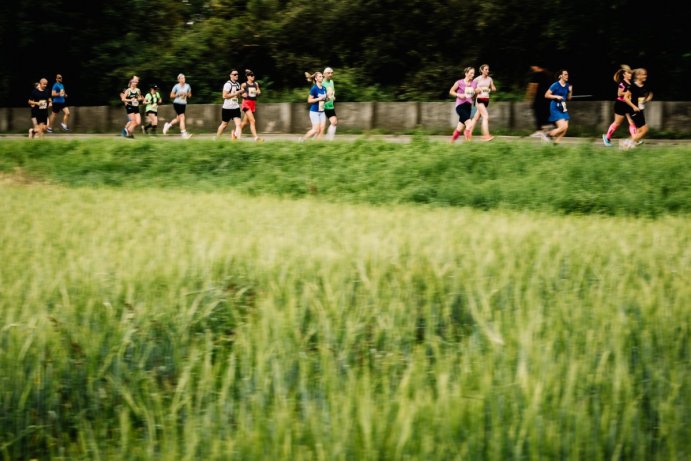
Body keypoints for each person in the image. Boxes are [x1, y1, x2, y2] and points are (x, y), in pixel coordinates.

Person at [602, 65, 639, 147]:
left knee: (632, 121)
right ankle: (607, 138)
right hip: (620, 104)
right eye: (628, 73)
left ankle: (635, 139)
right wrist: (628, 93)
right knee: (617, 123)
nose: (630, 75)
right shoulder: (622, 83)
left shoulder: (631, 83)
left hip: (628, 104)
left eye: (630, 73)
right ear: (624, 75)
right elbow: (619, 94)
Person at [624, 68, 654, 149]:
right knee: (645, 130)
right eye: (643, 74)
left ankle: (629, 144)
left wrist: (647, 99)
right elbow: (625, 98)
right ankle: (628, 143)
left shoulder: (644, 86)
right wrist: (634, 107)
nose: (645, 76)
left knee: (639, 131)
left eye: (646, 74)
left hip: (640, 110)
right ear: (638, 76)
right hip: (634, 110)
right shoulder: (633, 86)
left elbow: (650, 93)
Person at [543, 69, 573, 143]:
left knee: (565, 129)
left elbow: (569, 98)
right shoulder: (555, 85)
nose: (567, 76)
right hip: (555, 107)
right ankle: (547, 135)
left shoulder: (567, 85)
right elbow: (546, 95)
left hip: (563, 107)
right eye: (565, 74)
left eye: (567, 74)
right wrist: (556, 96)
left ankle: (556, 144)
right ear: (560, 76)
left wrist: (570, 91)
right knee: (563, 127)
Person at [448, 66, 477, 143]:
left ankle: (451, 143)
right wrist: (459, 95)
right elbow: (451, 91)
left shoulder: (474, 83)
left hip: (468, 107)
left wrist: (477, 92)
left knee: (459, 129)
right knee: (470, 125)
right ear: (466, 73)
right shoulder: (459, 82)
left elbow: (474, 93)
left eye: (473, 73)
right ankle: (469, 144)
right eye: (471, 73)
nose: (473, 75)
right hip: (460, 106)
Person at [469, 64, 496, 141]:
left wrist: (492, 88)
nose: (487, 71)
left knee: (476, 118)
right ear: (481, 70)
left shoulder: (490, 79)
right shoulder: (477, 79)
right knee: (485, 116)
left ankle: (468, 132)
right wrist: (475, 90)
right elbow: (471, 89)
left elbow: (493, 87)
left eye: (488, 69)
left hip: (486, 100)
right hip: (479, 99)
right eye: (486, 69)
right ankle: (486, 135)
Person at [525, 64, 553, 137]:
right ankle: (546, 131)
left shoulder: (536, 75)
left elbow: (532, 87)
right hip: (549, 98)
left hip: (539, 98)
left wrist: (528, 99)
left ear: (535, 66)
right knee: (546, 113)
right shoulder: (549, 74)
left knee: (538, 113)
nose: (531, 68)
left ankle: (540, 131)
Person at [215, 70, 243, 140]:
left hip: (236, 107)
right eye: (234, 74)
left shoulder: (238, 84)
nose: (236, 75)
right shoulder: (228, 84)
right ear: (230, 75)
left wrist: (241, 93)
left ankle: (238, 141)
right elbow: (224, 96)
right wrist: (235, 93)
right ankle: (216, 139)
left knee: (239, 124)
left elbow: (238, 95)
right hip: (227, 108)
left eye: (237, 74)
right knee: (224, 125)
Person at [300, 71, 328, 141]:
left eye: (322, 76)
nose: (322, 77)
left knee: (322, 129)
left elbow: (324, 99)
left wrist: (328, 98)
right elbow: (309, 100)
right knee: (316, 130)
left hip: (322, 110)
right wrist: (319, 98)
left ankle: (316, 144)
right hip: (314, 111)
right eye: (320, 76)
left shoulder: (324, 88)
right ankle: (302, 140)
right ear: (316, 78)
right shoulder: (314, 88)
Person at [163, 73, 192, 138]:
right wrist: (178, 94)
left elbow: (190, 95)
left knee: (178, 119)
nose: (183, 79)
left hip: (183, 104)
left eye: (184, 78)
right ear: (178, 79)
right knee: (182, 117)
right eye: (181, 78)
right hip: (177, 103)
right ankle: (183, 133)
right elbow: (171, 95)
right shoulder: (176, 86)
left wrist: (186, 94)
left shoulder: (188, 86)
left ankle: (168, 125)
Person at [239, 69, 262, 142]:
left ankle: (235, 134)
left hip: (253, 104)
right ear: (248, 77)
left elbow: (259, 91)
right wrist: (242, 94)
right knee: (252, 121)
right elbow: (240, 93)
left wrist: (258, 92)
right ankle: (256, 138)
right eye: (251, 76)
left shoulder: (256, 84)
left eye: (253, 75)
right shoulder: (244, 84)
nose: (253, 77)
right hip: (246, 104)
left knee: (245, 123)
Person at [322, 67, 338, 140]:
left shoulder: (331, 82)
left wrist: (333, 96)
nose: (330, 74)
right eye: (328, 73)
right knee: (319, 128)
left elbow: (332, 90)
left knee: (334, 122)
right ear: (324, 74)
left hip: (330, 106)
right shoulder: (321, 83)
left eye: (332, 73)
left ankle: (329, 140)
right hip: (322, 106)